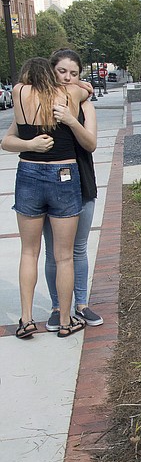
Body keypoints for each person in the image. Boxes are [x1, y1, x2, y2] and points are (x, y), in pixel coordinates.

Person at [4, 50, 102, 330]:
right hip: (63, 175)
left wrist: (31, 145)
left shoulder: (19, 93)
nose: (67, 78)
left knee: (29, 252)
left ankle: (26, 320)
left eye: (73, 73)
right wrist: (82, 87)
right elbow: (82, 91)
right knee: (63, 255)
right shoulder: (71, 95)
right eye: (62, 72)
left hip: (29, 175)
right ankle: (64, 320)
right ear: (50, 72)